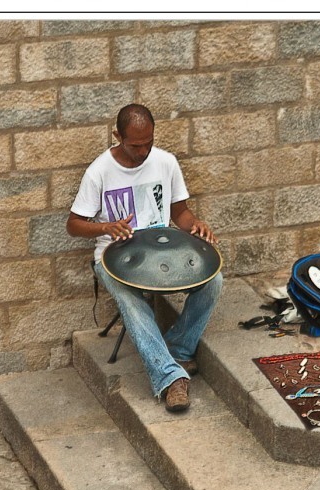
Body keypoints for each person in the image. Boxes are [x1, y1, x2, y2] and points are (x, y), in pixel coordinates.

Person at [66, 103, 223, 412]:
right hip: (113, 257)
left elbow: (181, 213)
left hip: (162, 250)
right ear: (117, 136)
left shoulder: (166, 162)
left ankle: (178, 349)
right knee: (130, 301)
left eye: (148, 143)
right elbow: (73, 225)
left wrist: (197, 226)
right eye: (135, 145)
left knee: (213, 281)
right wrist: (105, 227)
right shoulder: (99, 171)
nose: (143, 152)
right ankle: (169, 379)